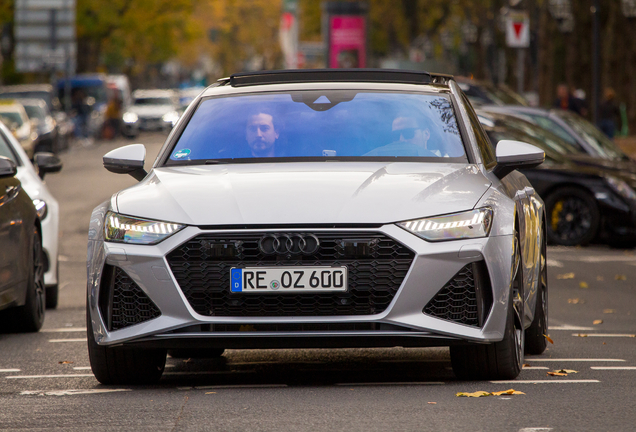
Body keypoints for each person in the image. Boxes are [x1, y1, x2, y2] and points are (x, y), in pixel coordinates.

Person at [365, 116, 437, 157]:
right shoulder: (371, 162)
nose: (401, 139)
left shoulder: (445, 166)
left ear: (426, 134)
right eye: (396, 135)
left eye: (408, 133)